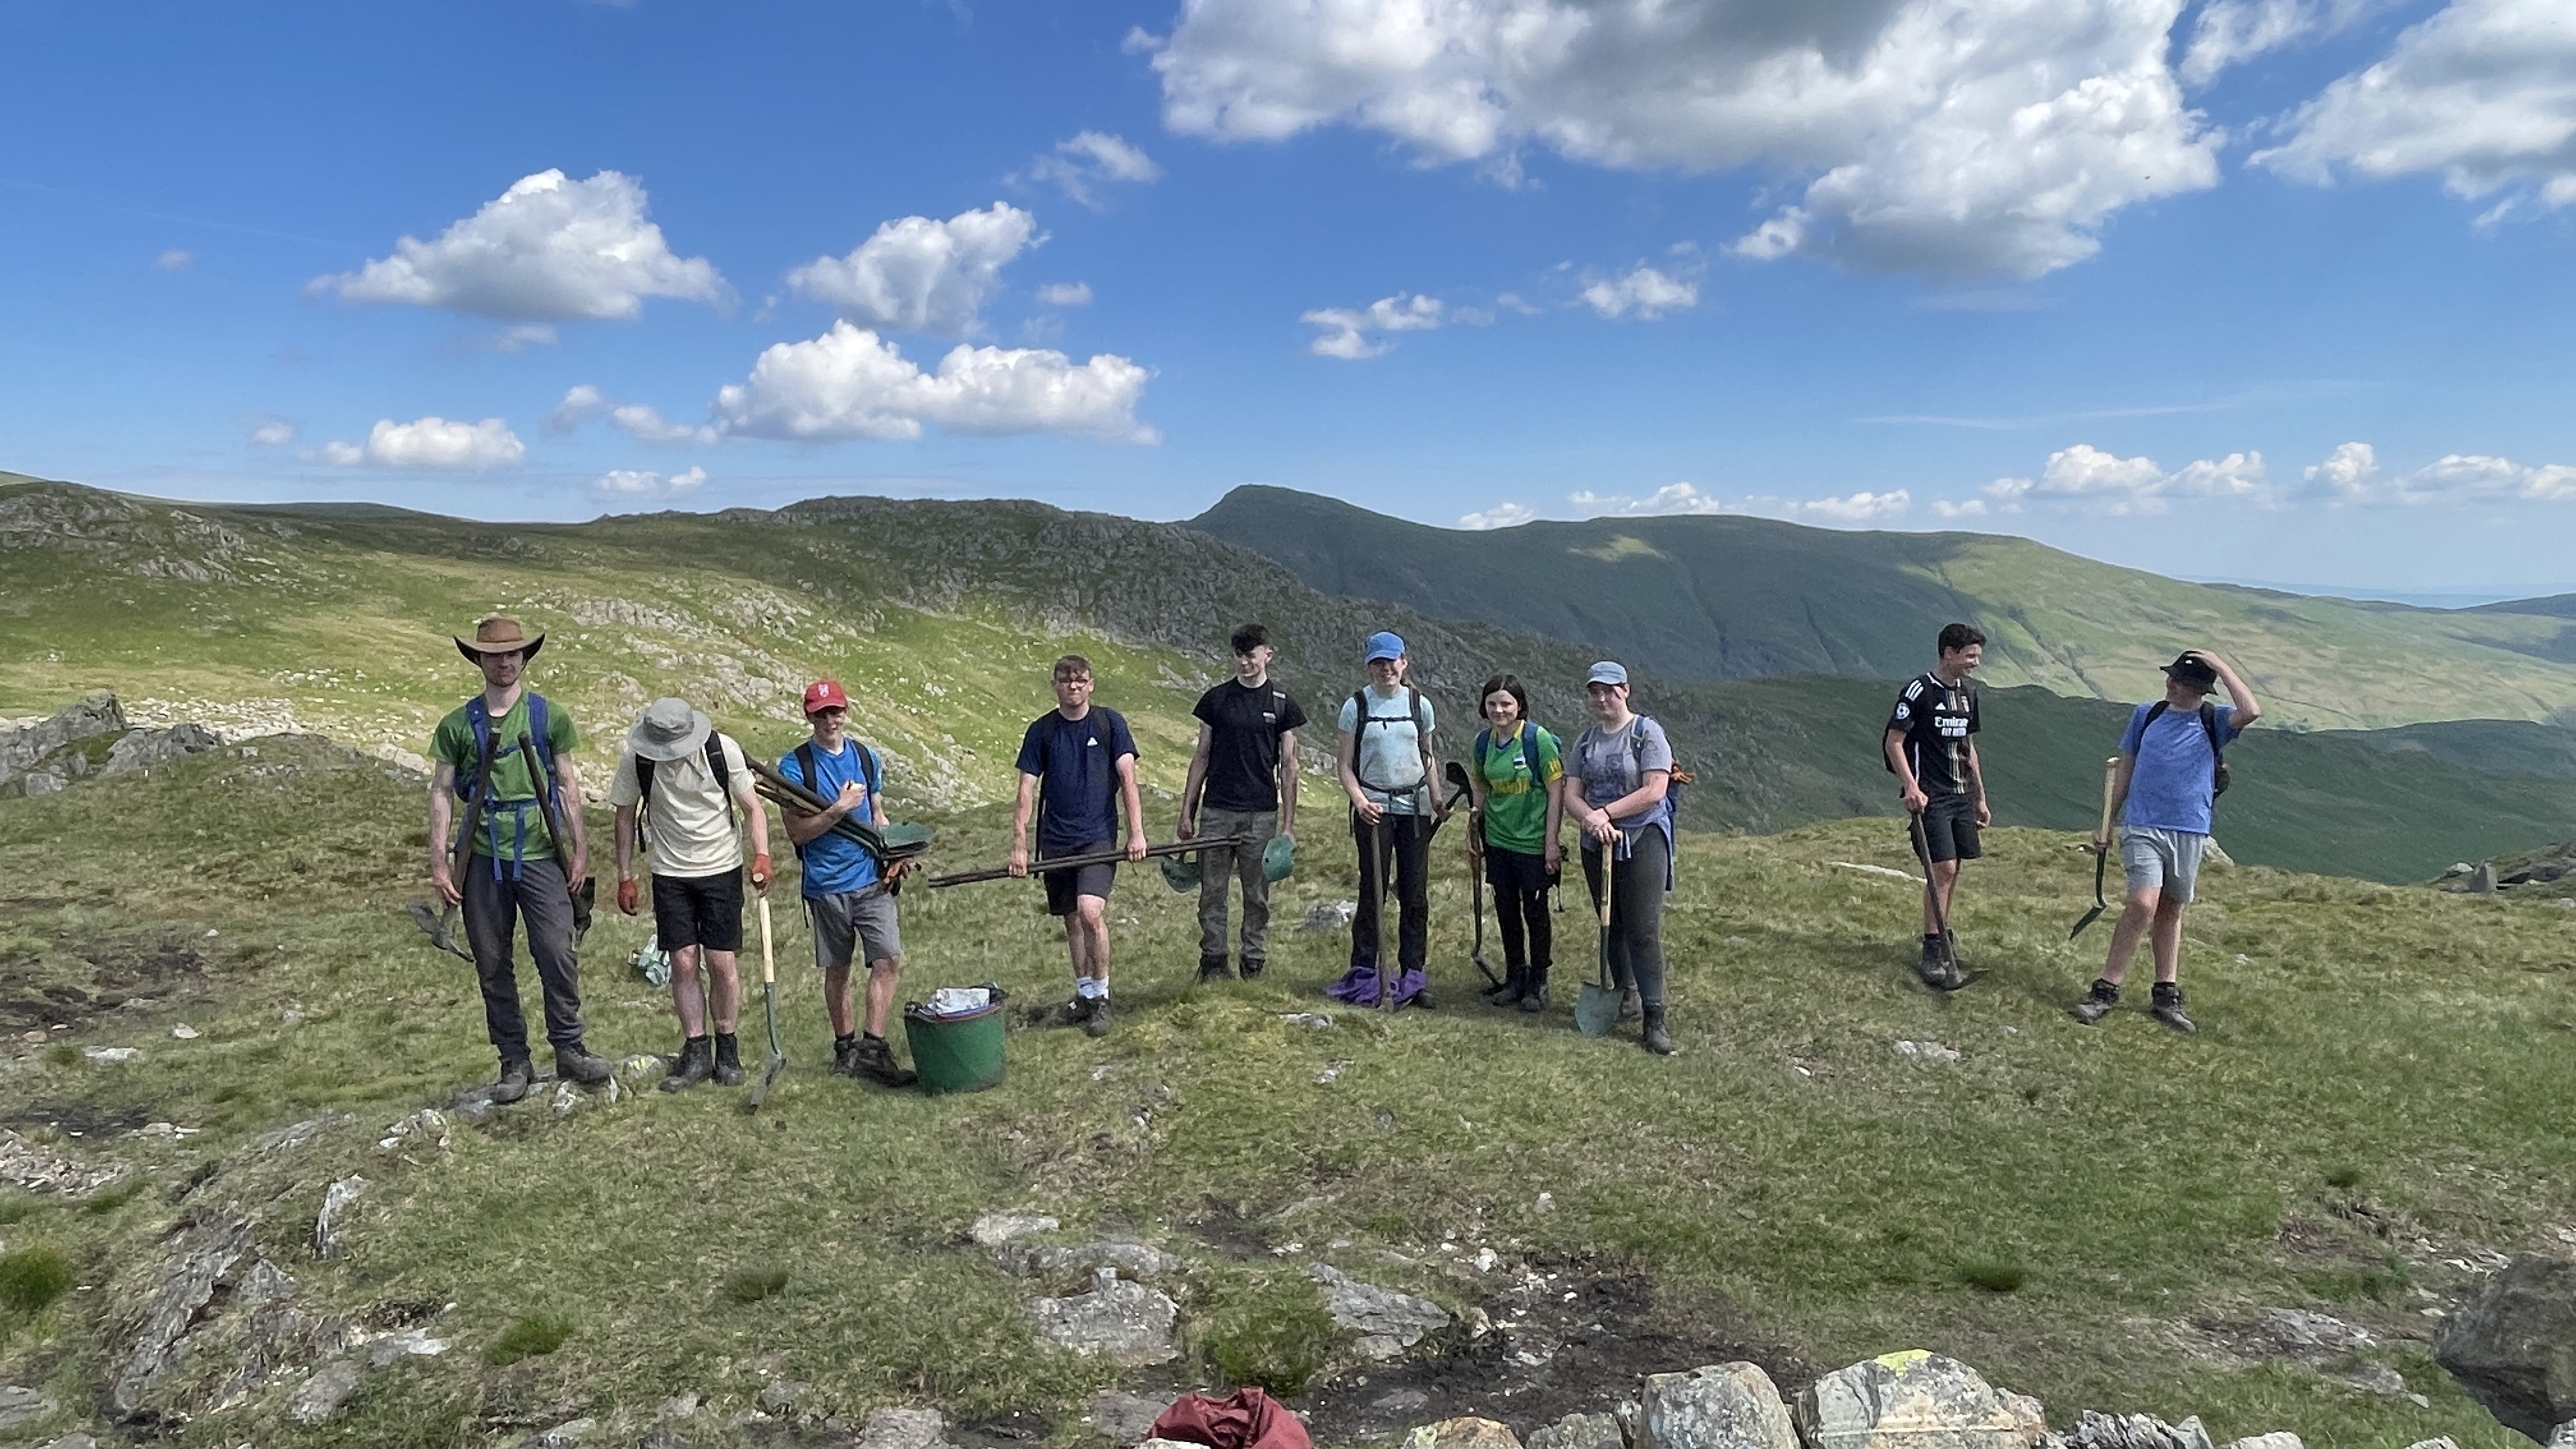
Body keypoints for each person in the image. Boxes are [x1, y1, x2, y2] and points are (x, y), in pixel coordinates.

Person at [425, 616, 611, 1101]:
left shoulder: (550, 717)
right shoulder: (456, 725)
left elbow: (568, 784)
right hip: (483, 855)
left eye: (513, 654)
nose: (505, 662)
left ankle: (570, 1048)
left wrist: (580, 849)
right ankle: (514, 1062)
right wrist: (440, 862)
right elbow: (442, 792)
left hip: (540, 852)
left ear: (524, 657)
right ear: (479, 660)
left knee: (556, 950)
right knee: (492, 962)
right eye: (494, 655)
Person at [2072, 650, 2262, 1034]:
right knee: (2143, 904)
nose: (2171, 684)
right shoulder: (2147, 715)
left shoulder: (2215, 720)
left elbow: (2252, 710)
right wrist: (2107, 822)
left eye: (2180, 681)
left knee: (2171, 909)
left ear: (2199, 689)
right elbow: (2126, 767)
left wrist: (2222, 666)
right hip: (2142, 825)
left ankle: (2166, 994)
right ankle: (2106, 990)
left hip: (2190, 828)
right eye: (2171, 678)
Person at [607, 697, 772, 1092]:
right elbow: (625, 816)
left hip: (721, 867)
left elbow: (753, 808)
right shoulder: (639, 760)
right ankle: (696, 1049)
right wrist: (625, 875)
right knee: (682, 962)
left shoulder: (722, 750)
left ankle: (728, 1049)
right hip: (669, 872)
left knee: (721, 962)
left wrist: (762, 855)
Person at [778, 680, 917, 1087]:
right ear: (809, 716)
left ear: (845, 712)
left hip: (871, 878)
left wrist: (894, 851)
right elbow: (798, 834)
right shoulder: (794, 768)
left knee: (887, 959)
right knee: (837, 970)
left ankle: (873, 1048)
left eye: (835, 711)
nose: (830, 720)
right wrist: (839, 809)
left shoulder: (867, 758)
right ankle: (845, 1048)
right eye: (822, 713)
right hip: (826, 883)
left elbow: (878, 816)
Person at [1009, 656, 1147, 1036]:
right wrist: (1020, 845)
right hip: (1055, 839)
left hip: (1097, 836)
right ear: (1054, 685)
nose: (1073, 687)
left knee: (1089, 911)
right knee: (1070, 917)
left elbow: (1128, 778)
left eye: (1080, 680)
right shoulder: (1042, 731)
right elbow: (1026, 789)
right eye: (1066, 681)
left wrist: (1137, 832)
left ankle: (1102, 995)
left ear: (1091, 685)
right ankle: (1084, 995)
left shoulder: (1109, 723)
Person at [1178, 624, 1306, 981]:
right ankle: (1213, 961)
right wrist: (1186, 812)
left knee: (1257, 894)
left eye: (1251, 655)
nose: (1244, 662)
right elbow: (1201, 756)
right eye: (1239, 655)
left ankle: (1254, 962)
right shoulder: (1215, 701)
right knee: (1212, 892)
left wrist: (1288, 828)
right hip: (1217, 810)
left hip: (1261, 814)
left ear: (1268, 654)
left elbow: (1289, 768)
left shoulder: (1282, 706)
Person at [1327, 631, 1445, 1009]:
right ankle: (1364, 972)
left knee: (1415, 893)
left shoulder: (1419, 705)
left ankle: (1414, 974)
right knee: (1372, 890)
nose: (1386, 669)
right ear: (1369, 666)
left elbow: (1427, 756)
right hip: (1374, 808)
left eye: (1391, 661)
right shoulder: (1356, 706)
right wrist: (1360, 801)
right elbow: (1344, 765)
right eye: (1378, 662)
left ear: (1404, 662)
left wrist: (1437, 797)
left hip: (1415, 809)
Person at [1565, 661, 1677, 1055]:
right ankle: (1624, 992)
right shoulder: (1585, 742)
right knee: (1609, 921)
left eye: (1610, 691)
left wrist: (1606, 813)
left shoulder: (1647, 734)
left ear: (1626, 690)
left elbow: (1654, 790)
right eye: (1595, 692)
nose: (1602, 699)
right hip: (1599, 841)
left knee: (1643, 929)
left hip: (1643, 836)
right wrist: (1593, 822)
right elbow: (1571, 795)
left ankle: (1654, 1015)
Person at [1883, 623, 1991, 989]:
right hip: (1930, 794)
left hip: (1961, 794)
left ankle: (1943, 939)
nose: (1976, 663)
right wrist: (1910, 786)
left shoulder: (1966, 695)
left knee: (1954, 868)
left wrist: (1979, 796)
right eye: (1971, 655)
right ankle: (1932, 947)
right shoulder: (1920, 691)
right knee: (1942, 867)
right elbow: (1894, 741)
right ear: (1949, 653)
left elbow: (1968, 746)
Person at [1465, 673, 1565, 1011]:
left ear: (1519, 706)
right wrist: (1474, 825)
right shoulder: (1483, 743)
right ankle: (1514, 977)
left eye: (1506, 703)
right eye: (1493, 703)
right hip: (1498, 840)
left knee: (1535, 912)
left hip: (1533, 842)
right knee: (1507, 910)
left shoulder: (1539, 741)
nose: (1499, 710)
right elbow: (1479, 785)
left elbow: (1556, 792)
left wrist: (1551, 842)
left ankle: (1538, 982)